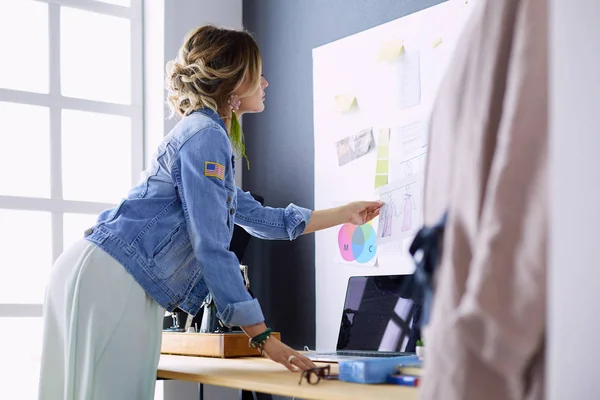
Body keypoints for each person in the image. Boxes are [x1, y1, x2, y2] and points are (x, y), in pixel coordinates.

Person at [38, 25, 382, 400]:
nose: (265, 83)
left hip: (102, 272)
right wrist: (262, 336)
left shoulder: (203, 135)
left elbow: (266, 220)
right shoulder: (206, 136)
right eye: (257, 74)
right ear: (234, 83)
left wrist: (346, 214)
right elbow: (212, 247)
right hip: (113, 280)